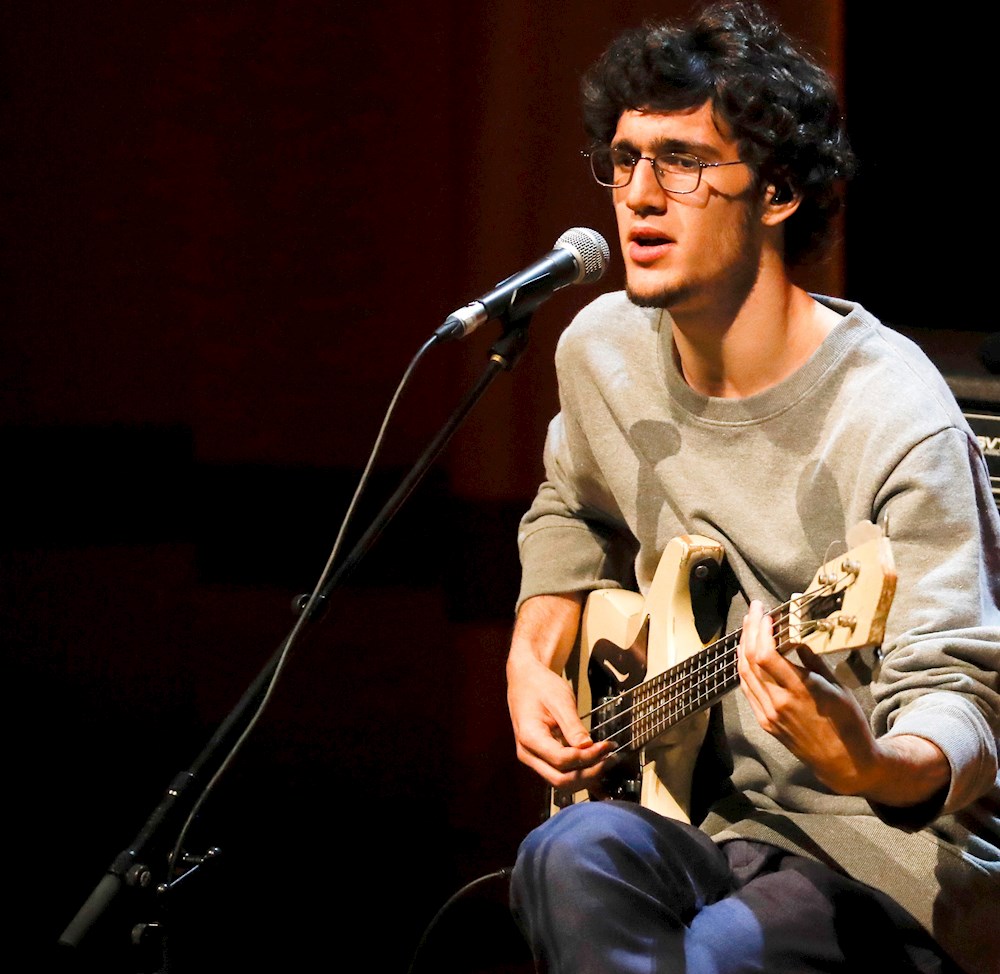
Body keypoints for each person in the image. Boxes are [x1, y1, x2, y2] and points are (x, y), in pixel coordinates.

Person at [504, 3, 1000, 973]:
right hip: (701, 816)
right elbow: (569, 504)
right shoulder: (602, 352)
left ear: (776, 191)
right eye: (624, 160)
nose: (640, 195)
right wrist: (535, 650)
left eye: (682, 162)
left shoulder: (895, 413)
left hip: (884, 852)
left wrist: (865, 761)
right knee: (563, 848)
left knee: (717, 953)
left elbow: (963, 694)